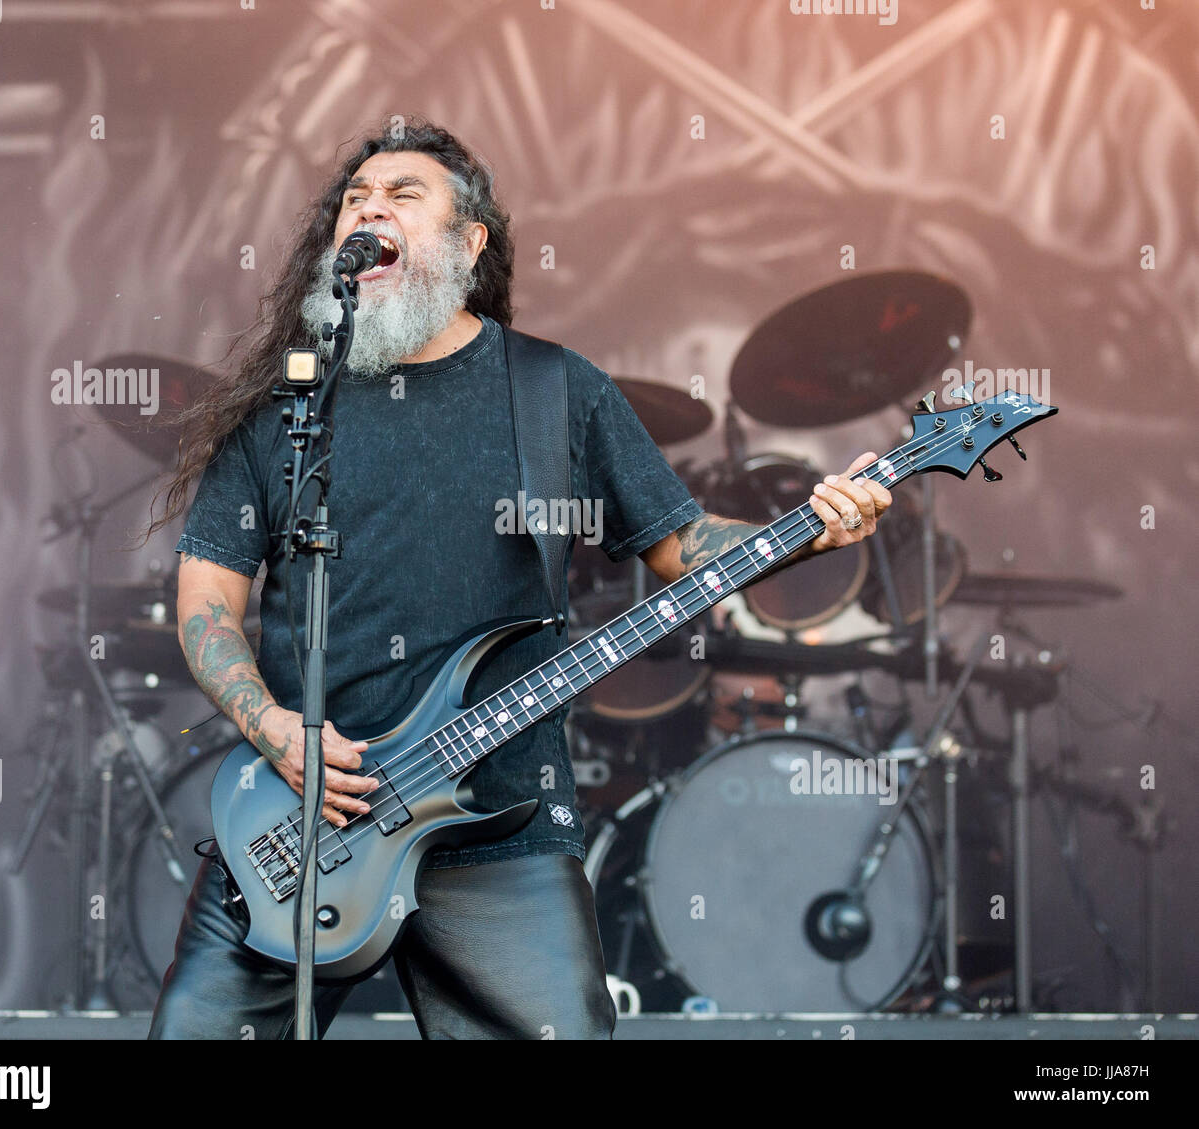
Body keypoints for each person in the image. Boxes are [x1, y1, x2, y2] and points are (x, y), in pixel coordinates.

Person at [144, 118, 891, 1039]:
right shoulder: (286, 407)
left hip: (500, 825)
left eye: (402, 196)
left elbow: (681, 545)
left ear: (470, 243)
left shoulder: (552, 393)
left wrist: (809, 531)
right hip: (301, 823)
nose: (369, 209)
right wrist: (278, 733)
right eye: (354, 200)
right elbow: (206, 602)